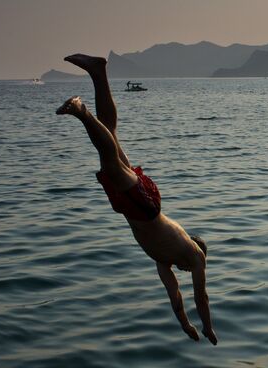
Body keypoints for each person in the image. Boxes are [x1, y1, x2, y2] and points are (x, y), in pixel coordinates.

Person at [55, 54, 218, 345]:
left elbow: (176, 297)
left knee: (112, 140)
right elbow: (199, 296)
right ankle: (82, 111)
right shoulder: (195, 256)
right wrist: (208, 327)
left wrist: (185, 325)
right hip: (147, 206)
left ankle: (97, 72)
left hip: (133, 209)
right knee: (110, 161)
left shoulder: (162, 260)